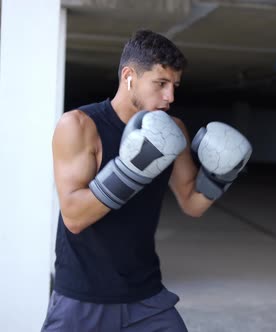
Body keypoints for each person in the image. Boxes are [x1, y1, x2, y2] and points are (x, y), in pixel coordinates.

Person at [42, 30, 251, 331]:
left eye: (175, 86)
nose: (170, 96)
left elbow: (192, 202)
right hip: (83, 298)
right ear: (129, 76)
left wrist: (221, 176)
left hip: (146, 298)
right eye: (161, 84)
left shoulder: (172, 129)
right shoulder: (79, 126)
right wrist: (130, 170)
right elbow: (74, 216)